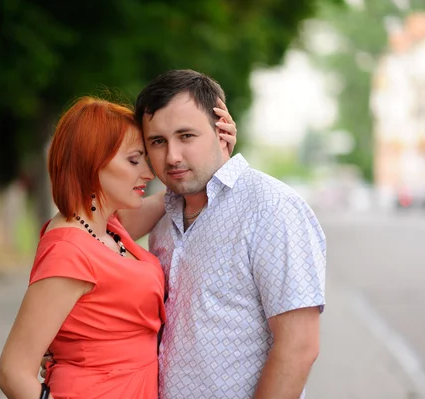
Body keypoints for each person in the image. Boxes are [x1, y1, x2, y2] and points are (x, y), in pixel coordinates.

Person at [0, 96, 236, 399]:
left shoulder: (109, 229)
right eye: (134, 160)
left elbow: (175, 195)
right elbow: (13, 371)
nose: (148, 174)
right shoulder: (69, 247)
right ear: (92, 162)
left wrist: (215, 152)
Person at [134, 69, 326, 399]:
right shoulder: (164, 221)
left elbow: (298, 347)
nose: (172, 156)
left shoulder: (271, 208)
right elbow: (89, 230)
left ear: (222, 131)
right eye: (158, 141)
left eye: (186, 136)